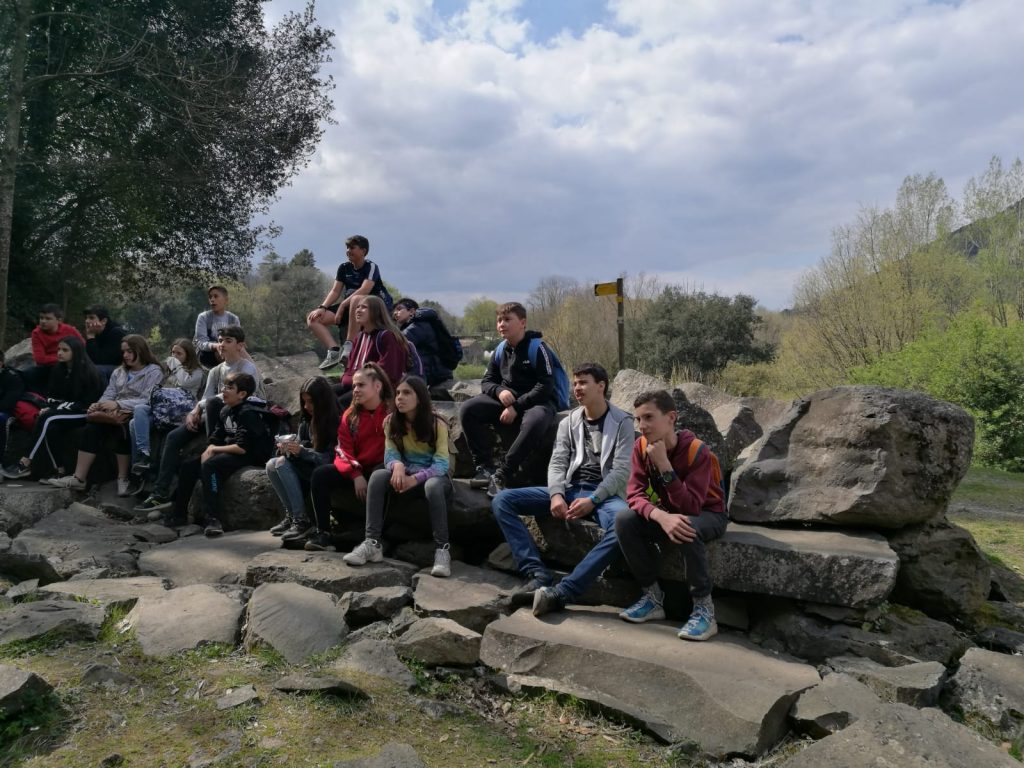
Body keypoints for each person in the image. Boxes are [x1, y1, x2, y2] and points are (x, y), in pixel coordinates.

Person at [492, 363, 633, 615]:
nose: (577, 388)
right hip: (570, 489)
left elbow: (622, 471)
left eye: (583, 382)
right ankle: (536, 573)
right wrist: (556, 494)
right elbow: (558, 462)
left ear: (601, 386)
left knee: (625, 522)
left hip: (605, 495)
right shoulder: (569, 421)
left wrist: (593, 499)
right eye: (575, 383)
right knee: (502, 500)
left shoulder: (623, 421)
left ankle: (564, 591)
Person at [615, 390, 728, 642]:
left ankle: (704, 610)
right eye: (638, 419)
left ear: (671, 418)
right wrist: (659, 516)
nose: (642, 426)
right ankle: (652, 598)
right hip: (669, 512)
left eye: (649, 417)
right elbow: (634, 494)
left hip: (709, 513)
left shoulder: (697, 451)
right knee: (624, 520)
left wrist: (664, 465)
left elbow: (691, 507)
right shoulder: (641, 447)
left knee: (685, 526)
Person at [133, 325, 262, 513]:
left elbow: (233, 397)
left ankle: (213, 447)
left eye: (228, 341)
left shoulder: (247, 367)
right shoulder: (216, 370)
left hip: (234, 416)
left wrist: (200, 406)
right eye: (220, 341)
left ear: (240, 345)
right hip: (212, 414)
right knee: (173, 437)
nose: (222, 345)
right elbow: (207, 396)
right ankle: (160, 492)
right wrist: (194, 411)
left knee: (212, 405)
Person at [344, 375, 453, 577]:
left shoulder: (437, 423)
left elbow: (441, 464)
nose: (400, 398)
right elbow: (390, 455)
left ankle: (442, 550)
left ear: (420, 397)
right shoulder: (391, 422)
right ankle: (372, 543)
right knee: (378, 476)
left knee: (432, 486)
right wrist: (398, 466)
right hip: (406, 473)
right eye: (398, 393)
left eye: (407, 393)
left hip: (433, 476)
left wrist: (415, 479)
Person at [42, 335, 164, 494]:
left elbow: (149, 399)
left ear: (140, 351)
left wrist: (118, 404)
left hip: (135, 413)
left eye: (129, 351)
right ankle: (79, 478)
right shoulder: (119, 372)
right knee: (92, 428)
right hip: (113, 412)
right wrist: (98, 404)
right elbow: (109, 393)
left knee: (122, 430)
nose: (125, 355)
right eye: (123, 352)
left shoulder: (154, 371)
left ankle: (123, 479)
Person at [459, 302, 558, 497]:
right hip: (506, 400)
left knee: (535, 422)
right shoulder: (500, 350)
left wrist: (516, 407)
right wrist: (498, 391)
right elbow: (487, 381)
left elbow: (546, 386)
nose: (501, 324)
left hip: (537, 402)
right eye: (499, 320)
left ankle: (503, 473)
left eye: (507, 319)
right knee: (468, 409)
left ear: (522, 322)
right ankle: (485, 467)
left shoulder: (538, 348)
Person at [165, 372, 275, 536]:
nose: (223, 390)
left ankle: (213, 518)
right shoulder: (225, 411)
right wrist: (209, 450)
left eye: (229, 388)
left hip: (251, 455)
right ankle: (179, 513)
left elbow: (243, 448)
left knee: (211, 466)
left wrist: (214, 450)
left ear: (242, 394)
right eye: (224, 386)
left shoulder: (247, 413)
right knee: (188, 466)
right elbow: (216, 438)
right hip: (233, 450)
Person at [301, 363, 393, 552]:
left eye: (361, 385)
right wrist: (355, 474)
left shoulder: (391, 414)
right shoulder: (350, 415)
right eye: (354, 386)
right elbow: (342, 449)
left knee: (379, 475)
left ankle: (375, 538)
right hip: (356, 468)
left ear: (377, 386)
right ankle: (323, 534)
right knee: (320, 475)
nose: (355, 390)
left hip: (383, 467)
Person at [3, 336, 104, 480]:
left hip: (85, 411)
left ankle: (25, 462)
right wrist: (49, 407)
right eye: (59, 349)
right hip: (64, 411)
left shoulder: (88, 372)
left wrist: (56, 409)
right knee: (50, 427)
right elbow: (52, 396)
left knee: (47, 418)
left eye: (65, 350)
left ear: (76, 352)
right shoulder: (59, 370)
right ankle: (59, 470)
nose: (60, 353)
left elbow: (87, 402)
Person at [267, 376, 340, 539]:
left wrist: (302, 452)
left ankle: (302, 520)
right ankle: (292, 515)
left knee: (281, 464)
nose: (307, 406)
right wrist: (286, 448)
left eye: (311, 402)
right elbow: (301, 444)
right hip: (308, 465)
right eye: (304, 402)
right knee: (271, 465)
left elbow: (330, 458)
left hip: (324, 470)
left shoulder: (335, 421)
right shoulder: (307, 420)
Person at [307, 235, 393, 371]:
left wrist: (342, 306)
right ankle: (334, 351)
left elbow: (365, 289)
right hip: (351, 306)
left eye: (352, 247)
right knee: (313, 318)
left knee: (356, 299)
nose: (348, 250)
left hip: (375, 305)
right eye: (347, 247)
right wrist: (322, 307)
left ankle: (349, 345)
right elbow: (335, 291)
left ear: (363, 251)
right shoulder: (344, 268)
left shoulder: (371, 266)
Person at [129, 338, 204, 473]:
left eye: (179, 353)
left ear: (188, 355)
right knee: (137, 413)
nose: (174, 356)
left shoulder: (196, 372)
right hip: (162, 410)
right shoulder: (167, 371)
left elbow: (184, 382)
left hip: (180, 411)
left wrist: (175, 365)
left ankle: (143, 463)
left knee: (135, 422)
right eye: (173, 353)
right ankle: (143, 457)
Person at [333, 295, 412, 409]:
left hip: (377, 390)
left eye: (364, 307)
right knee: (319, 395)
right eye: (357, 307)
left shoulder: (387, 336)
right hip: (354, 385)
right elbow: (350, 366)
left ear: (376, 311)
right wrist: (347, 378)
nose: (358, 310)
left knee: (338, 404)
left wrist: (357, 380)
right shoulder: (359, 337)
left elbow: (389, 372)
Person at [392, 298, 455, 389]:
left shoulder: (419, 325)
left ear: (412, 311)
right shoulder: (416, 324)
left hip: (434, 372)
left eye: (399, 309)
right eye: (394, 311)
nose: (395, 313)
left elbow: (397, 342)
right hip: (436, 370)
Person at [21, 304, 84, 394]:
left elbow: (83, 347)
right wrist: (63, 358)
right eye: (41, 318)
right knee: (28, 374)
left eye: (48, 319)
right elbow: (40, 359)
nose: (43, 321)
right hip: (50, 366)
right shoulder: (37, 333)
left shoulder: (69, 330)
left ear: (59, 320)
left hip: (72, 365)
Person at [194, 285, 241, 368]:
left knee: (241, 350)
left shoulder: (233, 319)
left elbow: (238, 341)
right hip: (207, 355)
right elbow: (201, 342)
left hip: (228, 353)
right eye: (210, 297)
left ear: (226, 300)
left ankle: (257, 375)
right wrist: (215, 346)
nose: (212, 300)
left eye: (216, 296)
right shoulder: (204, 317)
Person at [83, 305, 127, 377]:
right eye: (86, 318)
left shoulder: (116, 333)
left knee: (97, 370)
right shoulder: (96, 332)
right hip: (103, 367)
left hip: (120, 369)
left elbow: (101, 360)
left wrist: (91, 337)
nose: (87, 321)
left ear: (104, 321)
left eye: (91, 318)